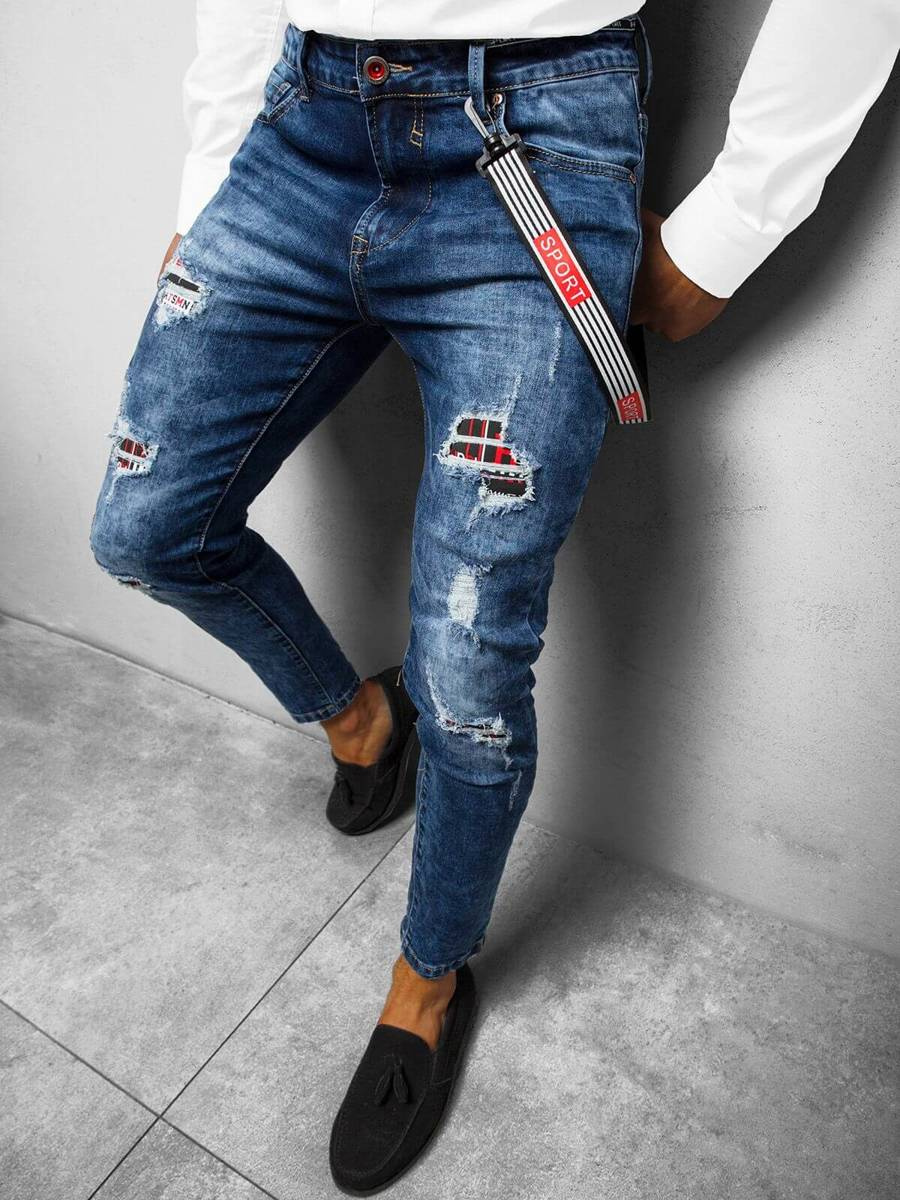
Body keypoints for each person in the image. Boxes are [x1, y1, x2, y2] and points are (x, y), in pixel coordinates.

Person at [88, 1, 899, 1192]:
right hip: (300, 122)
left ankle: (429, 977)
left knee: (467, 673)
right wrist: (209, 174)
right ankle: (364, 719)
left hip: (534, 142)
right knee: (147, 529)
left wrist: (736, 222)